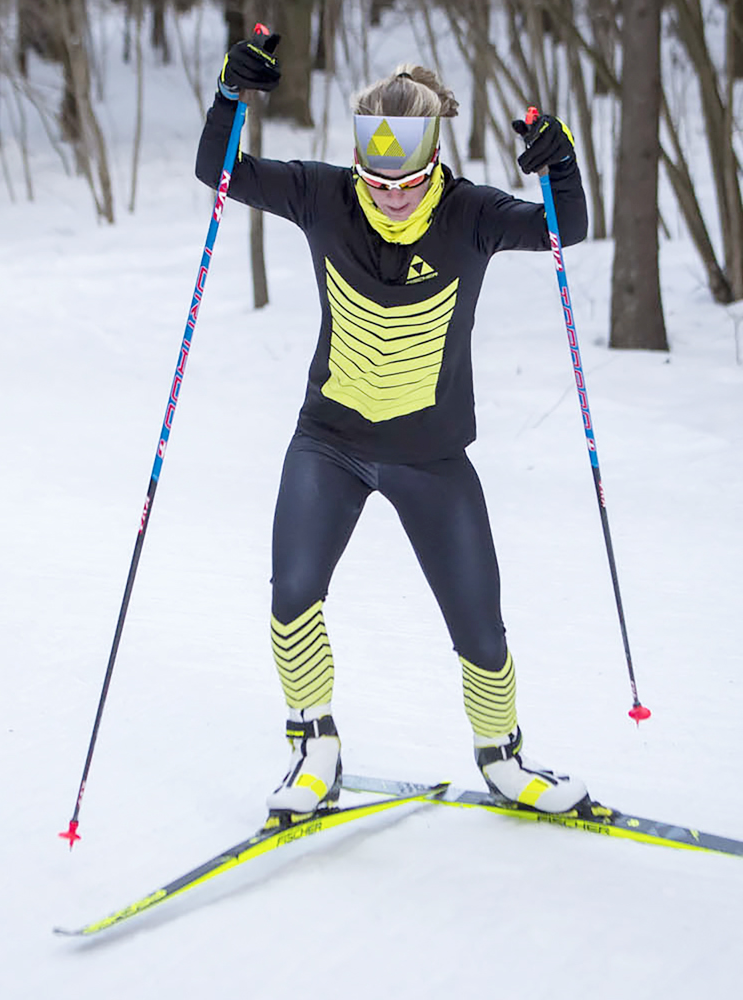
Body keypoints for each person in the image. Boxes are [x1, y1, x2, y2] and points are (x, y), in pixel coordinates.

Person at [196, 33, 594, 821]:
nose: (392, 197)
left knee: (479, 623)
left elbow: (563, 230)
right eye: (377, 182)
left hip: (430, 456)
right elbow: (222, 172)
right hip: (331, 443)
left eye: (409, 182)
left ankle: (504, 758)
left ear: (434, 162)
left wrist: (561, 162)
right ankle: (315, 748)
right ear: (358, 164)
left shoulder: (471, 213)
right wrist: (230, 95)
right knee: (292, 596)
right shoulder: (323, 194)